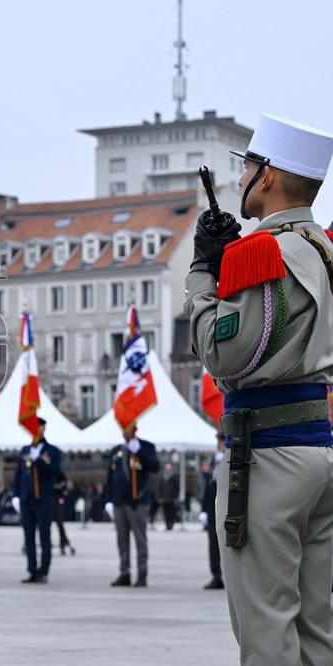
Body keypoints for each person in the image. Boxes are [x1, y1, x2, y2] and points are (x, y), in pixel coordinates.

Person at [185, 113, 333, 664]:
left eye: (246, 166)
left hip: (267, 455)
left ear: (266, 176)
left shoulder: (263, 253)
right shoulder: (324, 247)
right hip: (320, 443)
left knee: (265, 628)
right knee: (318, 626)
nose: (241, 177)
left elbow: (225, 355)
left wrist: (204, 271)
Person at [105, 423, 161, 587]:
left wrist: (139, 451)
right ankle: (125, 572)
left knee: (140, 540)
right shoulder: (116, 451)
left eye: (128, 428)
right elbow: (110, 478)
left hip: (137, 502)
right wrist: (108, 499)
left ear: (135, 429)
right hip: (119, 502)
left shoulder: (146, 446)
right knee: (122, 540)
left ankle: (142, 574)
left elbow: (154, 466)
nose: (125, 432)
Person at [11, 418, 63, 583]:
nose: (37, 430)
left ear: (44, 429)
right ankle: (32, 570)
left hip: (43, 499)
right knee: (28, 537)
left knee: (44, 537)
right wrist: (16, 495)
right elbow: (19, 475)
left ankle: (43, 570)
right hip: (27, 500)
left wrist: (38, 460)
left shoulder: (52, 451)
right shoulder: (25, 450)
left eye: (40, 427)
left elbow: (56, 473)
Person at [199, 433, 225, 590]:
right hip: (212, 507)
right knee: (213, 544)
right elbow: (208, 487)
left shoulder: (228, 458)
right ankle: (216, 575)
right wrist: (204, 509)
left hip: (226, 505)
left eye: (221, 442)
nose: (218, 445)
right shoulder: (214, 461)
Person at [53, 473, 76, 556]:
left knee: (60, 525)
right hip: (48, 503)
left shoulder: (59, 475)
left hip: (56, 504)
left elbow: (62, 488)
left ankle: (63, 544)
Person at [159, 463, 180, 531]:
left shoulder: (174, 477)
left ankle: (171, 524)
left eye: (169, 469)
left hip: (172, 498)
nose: (168, 470)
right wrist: (160, 496)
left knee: (171, 512)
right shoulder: (163, 478)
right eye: (167, 469)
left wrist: (176, 497)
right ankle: (167, 524)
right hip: (164, 498)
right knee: (166, 512)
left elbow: (177, 488)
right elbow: (160, 488)